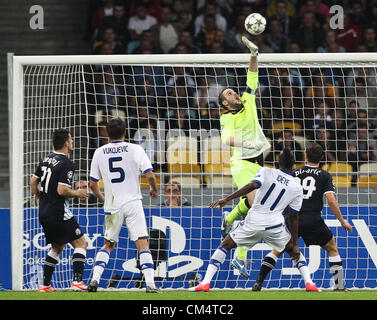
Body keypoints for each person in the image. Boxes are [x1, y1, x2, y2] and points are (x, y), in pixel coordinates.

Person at [190, 149, 303, 292]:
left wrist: (227, 199)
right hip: (274, 224)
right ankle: (310, 283)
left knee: (225, 245)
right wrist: (295, 242)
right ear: (294, 164)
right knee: (293, 250)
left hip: (254, 220)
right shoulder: (296, 186)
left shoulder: (266, 171)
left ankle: (205, 283)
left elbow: (251, 186)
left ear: (277, 162)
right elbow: (294, 216)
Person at [254, 143, 353, 291]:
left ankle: (258, 282)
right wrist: (342, 221)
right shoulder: (325, 175)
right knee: (332, 248)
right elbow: (331, 201)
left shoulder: (293, 173)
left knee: (276, 250)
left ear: (305, 156)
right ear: (322, 157)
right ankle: (339, 286)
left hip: (291, 219)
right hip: (313, 220)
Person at [218, 36, 271, 277]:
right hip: (242, 165)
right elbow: (226, 140)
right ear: (224, 103)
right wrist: (248, 142)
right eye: (228, 93)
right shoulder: (226, 118)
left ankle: (229, 216)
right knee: (257, 205)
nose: (233, 93)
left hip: (259, 162)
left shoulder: (248, 100)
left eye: (232, 91)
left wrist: (254, 53)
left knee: (254, 205)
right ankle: (240, 258)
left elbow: (252, 76)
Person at [87, 118, 160, 293]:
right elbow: (150, 175)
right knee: (142, 243)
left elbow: (92, 183)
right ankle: (150, 284)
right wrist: (154, 189)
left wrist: (103, 198)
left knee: (108, 244)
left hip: (113, 203)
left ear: (107, 134)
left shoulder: (99, 152)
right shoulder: (135, 149)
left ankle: (95, 280)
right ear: (125, 132)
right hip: (133, 202)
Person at [29, 129, 89, 292]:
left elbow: (33, 181)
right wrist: (79, 193)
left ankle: (45, 285)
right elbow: (62, 190)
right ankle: (77, 282)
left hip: (44, 212)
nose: (72, 141)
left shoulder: (46, 159)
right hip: (58, 212)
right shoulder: (66, 163)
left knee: (57, 247)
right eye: (71, 139)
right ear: (65, 143)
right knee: (81, 242)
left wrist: (38, 197)